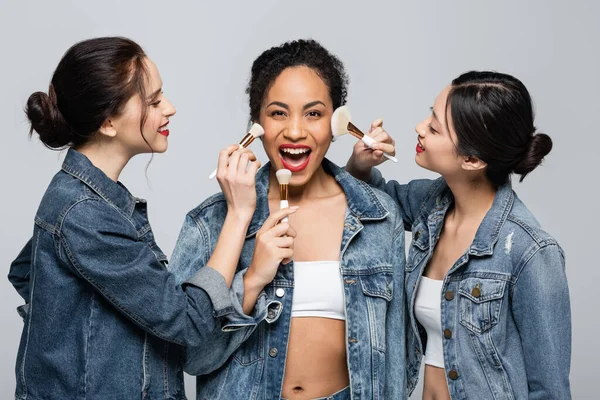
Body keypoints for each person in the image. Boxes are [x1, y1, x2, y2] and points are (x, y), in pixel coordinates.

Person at [8, 36, 274, 400]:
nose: (171, 108)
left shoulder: (79, 199)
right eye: (154, 101)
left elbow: (26, 271)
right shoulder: (85, 214)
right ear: (108, 122)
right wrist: (239, 214)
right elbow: (189, 321)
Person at [169, 39, 407, 399]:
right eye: (278, 113)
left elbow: (395, 363)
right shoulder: (211, 222)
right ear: (257, 122)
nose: (295, 131)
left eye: (313, 113)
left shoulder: (379, 217)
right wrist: (250, 282)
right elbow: (188, 357)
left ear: (335, 122)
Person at [346, 70, 571, 399]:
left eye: (434, 127)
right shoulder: (431, 207)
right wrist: (361, 163)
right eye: (430, 115)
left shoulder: (530, 251)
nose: (419, 128)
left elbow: (549, 390)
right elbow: (372, 200)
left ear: (471, 159)